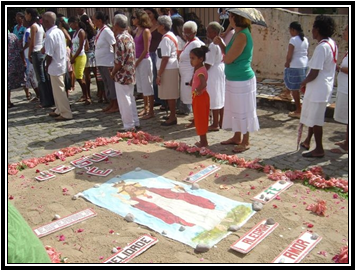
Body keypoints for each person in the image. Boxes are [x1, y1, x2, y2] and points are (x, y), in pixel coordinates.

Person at [213, 11, 260, 153]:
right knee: (234, 108)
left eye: (231, 16)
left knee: (243, 110)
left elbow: (228, 58)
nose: (229, 18)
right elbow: (229, 52)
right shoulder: (236, 34)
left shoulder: (242, 35)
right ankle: (237, 136)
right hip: (234, 78)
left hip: (242, 80)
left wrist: (221, 44)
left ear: (236, 18)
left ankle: (246, 140)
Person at [299, 15, 338, 158]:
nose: (312, 30)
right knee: (313, 116)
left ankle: (319, 149)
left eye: (314, 27)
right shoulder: (331, 43)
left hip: (318, 87)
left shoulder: (322, 48)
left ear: (318, 29)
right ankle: (308, 141)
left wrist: (302, 82)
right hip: (323, 86)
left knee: (316, 120)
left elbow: (314, 72)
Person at [110, 14, 140, 132]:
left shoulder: (119, 38)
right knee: (130, 98)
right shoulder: (129, 36)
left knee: (124, 100)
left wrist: (113, 72)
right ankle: (135, 122)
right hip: (130, 71)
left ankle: (128, 125)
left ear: (116, 25)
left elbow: (119, 61)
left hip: (122, 74)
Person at [42, 11, 73, 121]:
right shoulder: (59, 31)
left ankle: (66, 113)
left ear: (46, 21)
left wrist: (46, 66)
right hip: (61, 63)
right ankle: (59, 109)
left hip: (55, 65)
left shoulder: (50, 35)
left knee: (59, 91)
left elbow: (49, 54)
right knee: (58, 90)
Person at [25, 8, 55, 108]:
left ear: (29, 15)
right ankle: (49, 99)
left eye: (26, 14)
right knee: (44, 77)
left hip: (36, 53)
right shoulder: (40, 26)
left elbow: (32, 43)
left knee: (40, 78)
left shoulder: (33, 26)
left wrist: (29, 54)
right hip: (41, 53)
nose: (26, 16)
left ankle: (44, 101)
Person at [93, 10, 119, 114]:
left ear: (100, 20)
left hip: (108, 62)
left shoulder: (107, 31)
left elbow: (114, 45)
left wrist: (116, 60)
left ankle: (115, 104)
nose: (93, 22)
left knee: (111, 84)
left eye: (94, 20)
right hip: (101, 62)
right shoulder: (99, 31)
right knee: (106, 84)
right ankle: (111, 103)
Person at [156, 15, 179, 126]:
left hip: (168, 68)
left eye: (158, 24)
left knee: (170, 94)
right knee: (170, 94)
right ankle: (171, 114)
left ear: (162, 26)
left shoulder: (166, 39)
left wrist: (159, 74)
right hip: (170, 67)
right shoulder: (170, 36)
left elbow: (165, 58)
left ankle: (172, 116)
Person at [282, 22, 309, 118]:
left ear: (293, 30)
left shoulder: (293, 40)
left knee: (294, 88)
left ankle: (298, 110)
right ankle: (287, 93)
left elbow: (290, 54)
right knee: (296, 84)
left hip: (295, 65)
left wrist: (287, 62)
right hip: (304, 64)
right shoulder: (305, 39)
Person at [178, 21, 205, 117]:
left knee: (194, 97)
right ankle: (195, 117)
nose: (185, 35)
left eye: (188, 33)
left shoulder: (196, 44)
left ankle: (197, 118)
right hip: (185, 74)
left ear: (194, 32)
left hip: (191, 75)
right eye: (184, 33)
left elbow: (198, 63)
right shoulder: (189, 43)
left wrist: (193, 77)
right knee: (190, 97)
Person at [132, 9, 155, 120]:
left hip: (144, 61)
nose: (133, 20)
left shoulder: (146, 31)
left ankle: (151, 110)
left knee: (148, 86)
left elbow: (146, 50)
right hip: (137, 60)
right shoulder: (137, 30)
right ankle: (145, 107)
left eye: (134, 17)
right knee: (141, 86)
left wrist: (137, 62)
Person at [331, 25, 348, 154]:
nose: (344, 32)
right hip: (344, 87)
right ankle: (347, 141)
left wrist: (339, 68)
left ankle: (347, 146)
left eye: (346, 30)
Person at [205, 22, 226, 132]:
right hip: (221, 69)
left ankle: (215, 123)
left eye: (208, 31)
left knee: (214, 96)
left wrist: (202, 71)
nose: (207, 33)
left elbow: (209, 63)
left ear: (214, 32)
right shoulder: (221, 41)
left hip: (214, 71)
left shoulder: (213, 45)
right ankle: (222, 121)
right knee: (220, 95)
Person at [144, 8, 165, 110]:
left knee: (157, 75)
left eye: (149, 13)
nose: (148, 15)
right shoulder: (146, 26)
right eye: (146, 14)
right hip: (149, 52)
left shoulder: (159, 24)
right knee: (152, 76)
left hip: (157, 52)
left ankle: (161, 99)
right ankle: (156, 98)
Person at [190, 46, 210, 148]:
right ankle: (203, 140)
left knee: (200, 119)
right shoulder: (198, 69)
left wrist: (197, 90)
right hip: (198, 97)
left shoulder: (201, 71)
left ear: (201, 59)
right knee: (199, 118)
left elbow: (203, 83)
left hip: (200, 97)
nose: (191, 61)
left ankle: (203, 142)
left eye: (193, 58)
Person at [68, 17, 90, 105]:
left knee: (79, 76)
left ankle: (87, 96)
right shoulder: (74, 33)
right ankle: (84, 95)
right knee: (78, 76)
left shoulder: (81, 32)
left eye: (71, 24)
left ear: (76, 22)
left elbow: (81, 47)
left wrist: (74, 57)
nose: (70, 26)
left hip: (80, 56)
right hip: (74, 55)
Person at [81, 14, 98, 104]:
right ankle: (100, 93)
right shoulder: (93, 30)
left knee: (87, 76)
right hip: (94, 53)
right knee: (96, 75)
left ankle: (88, 94)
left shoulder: (84, 32)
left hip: (87, 54)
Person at [22, 19, 39, 101]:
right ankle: (38, 94)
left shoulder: (29, 30)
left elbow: (29, 43)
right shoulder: (27, 30)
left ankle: (39, 94)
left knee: (32, 77)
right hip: (27, 55)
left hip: (29, 56)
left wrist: (22, 49)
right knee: (31, 77)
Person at [8, 32, 26, 108]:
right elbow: (20, 49)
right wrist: (23, 61)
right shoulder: (13, 36)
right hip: (13, 62)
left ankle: (8, 102)